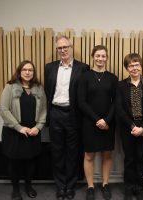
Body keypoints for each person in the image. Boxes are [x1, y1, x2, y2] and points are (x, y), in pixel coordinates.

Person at [44, 35, 89, 200]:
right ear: (57, 50)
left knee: (72, 152)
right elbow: (47, 92)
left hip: (73, 115)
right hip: (55, 113)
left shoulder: (83, 68)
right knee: (57, 151)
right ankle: (60, 185)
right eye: (59, 48)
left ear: (71, 48)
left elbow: (84, 94)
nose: (63, 50)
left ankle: (70, 186)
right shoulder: (49, 68)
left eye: (65, 47)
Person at [0, 60, 47, 200]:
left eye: (30, 70)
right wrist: (19, 128)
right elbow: (4, 110)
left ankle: (28, 186)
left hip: (32, 132)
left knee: (30, 161)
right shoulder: (10, 87)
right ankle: (15, 190)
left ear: (34, 72)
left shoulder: (39, 88)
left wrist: (38, 127)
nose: (27, 72)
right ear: (19, 72)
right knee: (13, 162)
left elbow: (44, 109)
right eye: (24, 70)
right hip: (14, 131)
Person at [78, 45, 118, 200]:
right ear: (92, 57)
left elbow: (116, 102)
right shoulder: (85, 77)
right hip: (90, 122)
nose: (100, 59)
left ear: (107, 58)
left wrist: (106, 120)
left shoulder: (113, 78)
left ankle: (105, 184)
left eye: (103, 56)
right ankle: (90, 186)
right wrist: (97, 120)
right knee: (89, 155)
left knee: (107, 154)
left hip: (108, 122)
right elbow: (82, 102)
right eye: (98, 56)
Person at [116, 53, 143, 200]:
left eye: (137, 64)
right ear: (127, 68)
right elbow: (119, 109)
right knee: (129, 160)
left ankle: (139, 188)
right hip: (128, 128)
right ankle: (128, 188)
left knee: (140, 159)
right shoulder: (120, 85)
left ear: (141, 66)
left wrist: (142, 128)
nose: (134, 68)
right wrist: (133, 126)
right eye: (131, 65)